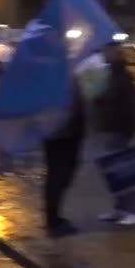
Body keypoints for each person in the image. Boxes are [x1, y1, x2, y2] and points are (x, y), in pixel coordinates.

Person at [95, 43, 135, 227]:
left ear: (115, 53)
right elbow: (102, 99)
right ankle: (120, 209)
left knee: (124, 173)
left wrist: (131, 131)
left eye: (107, 51)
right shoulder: (109, 74)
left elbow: (131, 106)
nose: (103, 54)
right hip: (109, 129)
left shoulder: (122, 76)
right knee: (114, 174)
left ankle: (133, 211)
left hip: (119, 130)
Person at [43, 84, 86, 237]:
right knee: (58, 177)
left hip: (62, 135)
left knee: (58, 177)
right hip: (63, 136)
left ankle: (53, 218)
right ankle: (53, 221)